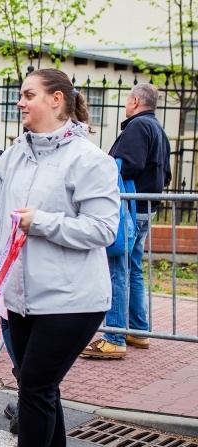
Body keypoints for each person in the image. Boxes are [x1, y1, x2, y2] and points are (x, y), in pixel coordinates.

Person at [0, 68, 119, 447]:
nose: (20, 103)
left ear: (57, 101)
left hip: (74, 299)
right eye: (20, 95)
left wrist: (43, 222)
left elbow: (103, 230)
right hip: (20, 295)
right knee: (38, 383)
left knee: (34, 384)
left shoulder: (91, 161)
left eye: (28, 95)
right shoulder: (12, 155)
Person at [81, 83, 172, 359]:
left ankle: (114, 336)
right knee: (133, 268)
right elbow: (166, 173)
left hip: (128, 208)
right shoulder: (158, 129)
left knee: (117, 268)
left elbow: (127, 165)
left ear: (134, 100)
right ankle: (137, 330)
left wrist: (103, 166)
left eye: (126, 99)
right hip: (146, 206)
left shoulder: (136, 127)